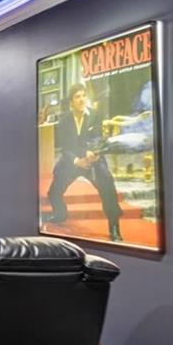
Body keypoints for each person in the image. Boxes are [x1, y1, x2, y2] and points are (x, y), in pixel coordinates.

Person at [46, 83, 123, 242]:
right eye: (77, 97)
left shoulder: (95, 115)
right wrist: (76, 161)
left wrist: (93, 151)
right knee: (53, 192)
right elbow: (64, 146)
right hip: (72, 161)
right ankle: (60, 214)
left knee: (107, 184)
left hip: (92, 160)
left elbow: (99, 138)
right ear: (71, 101)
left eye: (83, 96)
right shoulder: (64, 120)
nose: (81, 100)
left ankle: (114, 226)